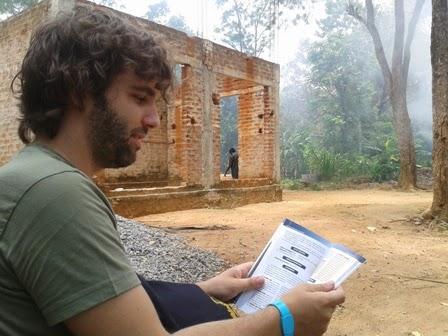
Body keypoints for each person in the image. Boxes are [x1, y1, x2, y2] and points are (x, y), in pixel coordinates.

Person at [0, 7, 345, 336]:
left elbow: (100, 302)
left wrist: (204, 290)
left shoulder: (35, 175)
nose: (153, 120)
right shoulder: (56, 193)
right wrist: (282, 320)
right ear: (78, 92)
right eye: (139, 98)